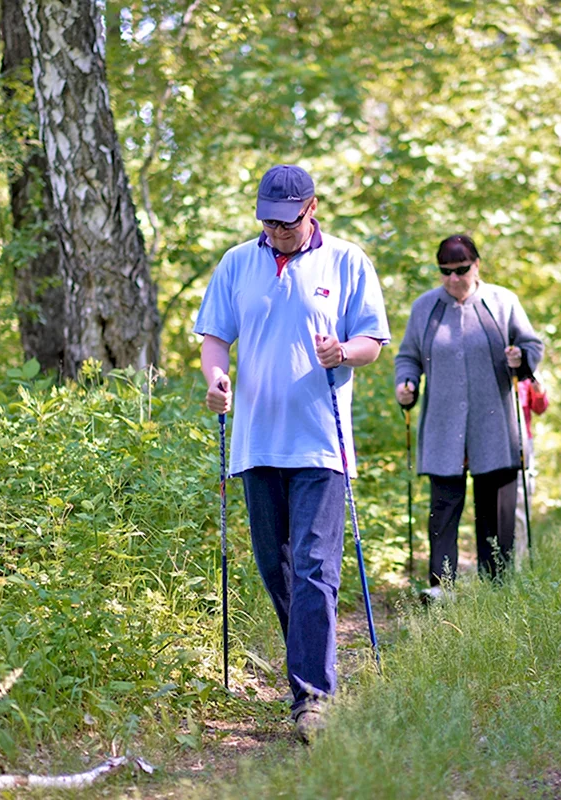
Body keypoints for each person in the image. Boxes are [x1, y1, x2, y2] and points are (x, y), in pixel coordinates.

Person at [194, 164, 390, 743]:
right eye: (268, 222)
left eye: (287, 222)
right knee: (276, 568)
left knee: (313, 568)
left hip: (320, 443)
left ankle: (311, 698)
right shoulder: (237, 263)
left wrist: (343, 352)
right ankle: (310, 663)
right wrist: (216, 379)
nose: (277, 232)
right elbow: (214, 338)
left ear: (312, 208)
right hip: (256, 442)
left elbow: (372, 342)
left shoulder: (348, 261)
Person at [394, 234, 544, 599]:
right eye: (445, 272)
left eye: (461, 270)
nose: (453, 279)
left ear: (476, 265)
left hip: (493, 425)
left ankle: (497, 588)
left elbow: (532, 345)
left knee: (496, 510)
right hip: (444, 425)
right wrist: (406, 383)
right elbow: (408, 356)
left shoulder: (502, 302)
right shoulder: (425, 308)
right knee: (443, 508)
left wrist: (519, 359)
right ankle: (441, 588)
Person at [514, 373, 549, 562]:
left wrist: (539, 390)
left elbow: (540, 407)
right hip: (496, 441)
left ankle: (520, 558)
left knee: (521, 499)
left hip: (523, 441)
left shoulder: (527, 368)